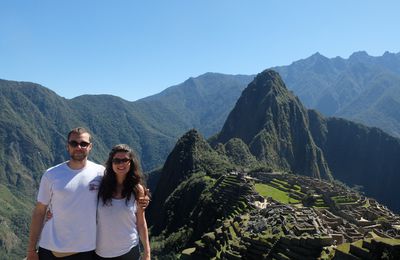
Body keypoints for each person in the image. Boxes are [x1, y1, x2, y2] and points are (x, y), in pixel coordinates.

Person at [26, 128, 150, 260]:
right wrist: (31, 249)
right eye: (74, 143)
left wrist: (143, 198)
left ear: (90, 147)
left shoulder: (101, 173)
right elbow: (39, 212)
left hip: (85, 250)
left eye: (83, 144)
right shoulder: (51, 175)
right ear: (67, 146)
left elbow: (122, 184)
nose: (79, 147)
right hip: (50, 247)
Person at [95, 144, 150, 260]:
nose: (121, 164)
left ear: (131, 162)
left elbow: (141, 222)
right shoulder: (99, 186)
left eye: (125, 160)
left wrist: (147, 252)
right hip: (102, 252)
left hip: (129, 250)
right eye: (117, 160)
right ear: (111, 163)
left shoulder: (137, 189)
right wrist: (51, 211)